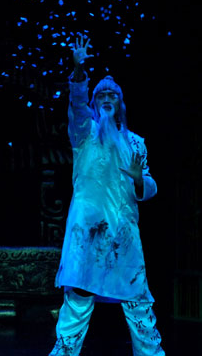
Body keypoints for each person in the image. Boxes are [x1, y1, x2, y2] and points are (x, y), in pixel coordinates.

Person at [48, 35, 165, 356]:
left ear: (122, 102)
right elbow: (77, 104)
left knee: (139, 306)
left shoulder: (136, 143)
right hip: (87, 232)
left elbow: (149, 187)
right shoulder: (84, 134)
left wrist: (140, 179)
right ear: (96, 102)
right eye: (102, 95)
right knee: (76, 306)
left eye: (113, 94)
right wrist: (77, 70)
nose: (107, 97)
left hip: (123, 235)